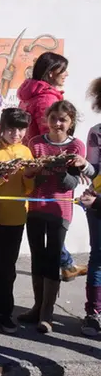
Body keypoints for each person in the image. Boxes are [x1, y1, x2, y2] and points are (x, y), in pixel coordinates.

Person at [22, 100, 92, 333]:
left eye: (63, 119)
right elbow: (30, 176)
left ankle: (47, 313)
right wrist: (37, 171)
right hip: (35, 207)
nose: (57, 123)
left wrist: (61, 166)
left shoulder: (76, 147)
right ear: (46, 119)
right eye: (53, 118)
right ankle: (36, 306)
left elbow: (71, 183)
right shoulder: (36, 143)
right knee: (37, 256)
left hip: (60, 209)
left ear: (71, 123)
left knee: (53, 257)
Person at [17, 52, 87, 280]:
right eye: (63, 70)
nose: (67, 74)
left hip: (32, 162)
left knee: (46, 238)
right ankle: (62, 269)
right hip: (44, 169)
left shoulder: (30, 94)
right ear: (50, 72)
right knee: (48, 234)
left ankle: (65, 265)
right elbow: (51, 138)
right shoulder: (46, 98)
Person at [0, 108, 34, 335]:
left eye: (20, 129)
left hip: (16, 219)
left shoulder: (26, 152)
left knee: (8, 269)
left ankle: (5, 313)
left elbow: (28, 189)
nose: (16, 133)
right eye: (11, 128)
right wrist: (1, 176)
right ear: (0, 128)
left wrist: (30, 175)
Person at [83, 78, 101, 336]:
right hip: (97, 201)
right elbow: (94, 168)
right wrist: (81, 165)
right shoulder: (97, 132)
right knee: (98, 256)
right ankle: (94, 312)